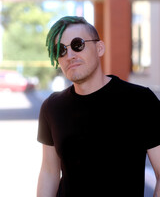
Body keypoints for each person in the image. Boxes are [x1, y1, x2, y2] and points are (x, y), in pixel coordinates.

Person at [37, 16, 160, 197]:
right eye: (60, 50)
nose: (69, 55)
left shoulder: (141, 100)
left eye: (77, 45)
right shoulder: (52, 107)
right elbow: (49, 172)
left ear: (99, 48)